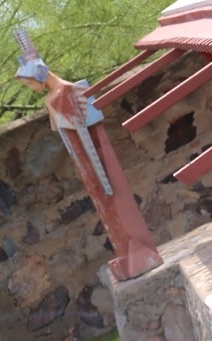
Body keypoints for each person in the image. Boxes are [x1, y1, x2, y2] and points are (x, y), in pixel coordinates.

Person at [15, 31, 163, 281]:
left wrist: (95, 167)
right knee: (104, 205)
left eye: (30, 83)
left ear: (39, 75)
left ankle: (137, 252)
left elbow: (83, 126)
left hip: (95, 156)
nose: (30, 89)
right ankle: (124, 251)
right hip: (84, 159)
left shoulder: (70, 91)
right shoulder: (52, 98)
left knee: (114, 199)